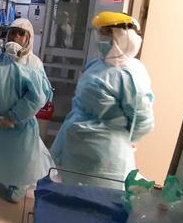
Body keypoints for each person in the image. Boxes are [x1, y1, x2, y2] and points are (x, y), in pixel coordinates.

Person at [50, 12, 154, 189]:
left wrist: (126, 138)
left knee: (97, 202)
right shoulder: (97, 64)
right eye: (101, 33)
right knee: (71, 195)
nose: (101, 38)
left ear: (121, 37)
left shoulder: (130, 74)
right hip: (76, 145)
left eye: (106, 33)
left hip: (105, 155)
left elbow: (143, 121)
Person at [0, 18, 54, 203]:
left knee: (19, 154)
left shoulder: (33, 63)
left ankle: (18, 183)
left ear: (29, 38)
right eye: (12, 32)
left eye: (21, 33)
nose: (15, 36)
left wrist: (13, 117)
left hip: (19, 123)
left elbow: (37, 96)